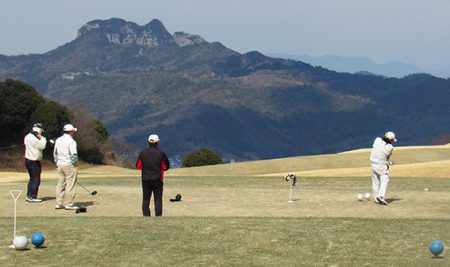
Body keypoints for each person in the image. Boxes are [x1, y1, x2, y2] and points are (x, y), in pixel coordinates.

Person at [136, 134, 170, 217]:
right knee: (158, 199)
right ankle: (158, 216)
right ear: (158, 142)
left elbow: (138, 166)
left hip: (145, 179)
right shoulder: (161, 154)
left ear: (148, 142)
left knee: (145, 199)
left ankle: (146, 216)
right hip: (157, 179)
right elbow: (166, 167)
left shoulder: (142, 153)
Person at [53, 124, 79, 210]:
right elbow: (73, 155)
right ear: (71, 131)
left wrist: (57, 162)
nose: (73, 133)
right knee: (70, 184)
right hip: (69, 164)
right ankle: (69, 204)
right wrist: (74, 166)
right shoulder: (72, 141)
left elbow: (55, 153)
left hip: (59, 164)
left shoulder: (58, 140)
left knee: (60, 183)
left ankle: (58, 203)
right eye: (73, 131)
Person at [370, 131, 397, 205]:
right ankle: (381, 196)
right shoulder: (390, 147)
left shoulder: (377, 140)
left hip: (373, 164)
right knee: (385, 180)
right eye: (392, 140)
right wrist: (388, 164)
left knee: (375, 181)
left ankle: (376, 199)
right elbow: (387, 157)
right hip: (381, 165)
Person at [23, 123, 47, 202]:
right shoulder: (35, 138)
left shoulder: (27, 136)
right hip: (34, 161)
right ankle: (32, 196)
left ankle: (29, 195)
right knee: (36, 179)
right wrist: (42, 138)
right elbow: (42, 146)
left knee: (32, 178)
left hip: (28, 159)